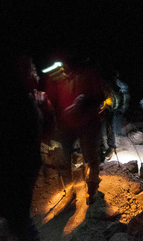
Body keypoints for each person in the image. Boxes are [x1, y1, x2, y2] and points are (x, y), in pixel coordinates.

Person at [43, 54, 106, 204]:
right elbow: (53, 100)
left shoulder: (88, 74)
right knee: (64, 159)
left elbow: (100, 96)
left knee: (91, 158)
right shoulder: (58, 79)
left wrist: (83, 100)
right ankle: (70, 194)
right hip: (67, 126)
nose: (60, 72)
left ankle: (92, 190)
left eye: (63, 68)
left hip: (88, 123)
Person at [103, 71, 130, 160]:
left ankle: (111, 147)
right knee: (106, 128)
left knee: (110, 128)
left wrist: (119, 109)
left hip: (111, 108)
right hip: (105, 107)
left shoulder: (115, 83)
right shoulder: (107, 81)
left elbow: (118, 95)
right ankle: (104, 147)